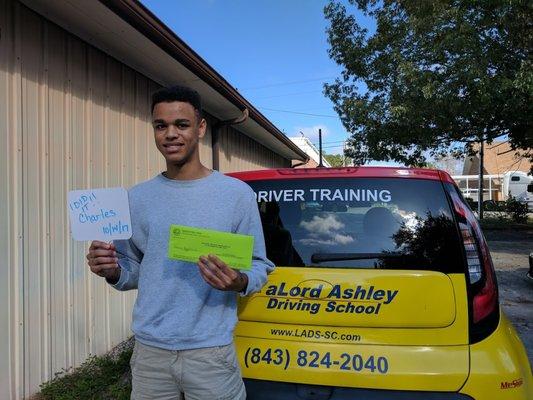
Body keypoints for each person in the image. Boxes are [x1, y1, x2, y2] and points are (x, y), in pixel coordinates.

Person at [85, 85, 274, 399]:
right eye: (161, 126)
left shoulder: (236, 194)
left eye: (181, 124)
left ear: (200, 128)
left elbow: (259, 266)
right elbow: (131, 269)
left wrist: (238, 281)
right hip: (150, 353)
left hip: (210, 352)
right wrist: (111, 270)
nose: (170, 134)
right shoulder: (136, 198)